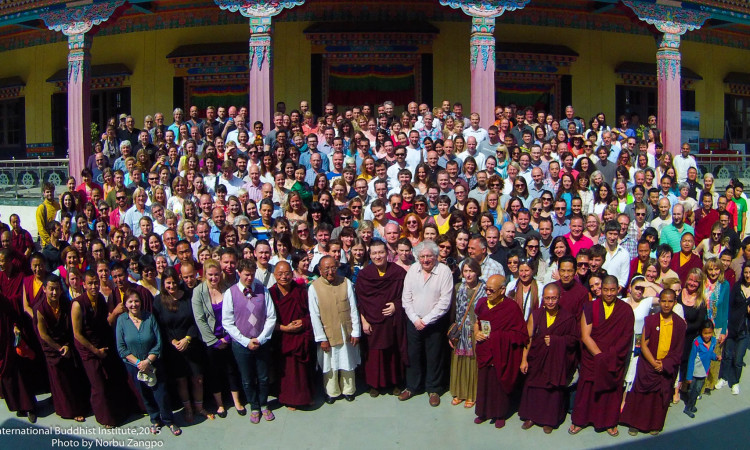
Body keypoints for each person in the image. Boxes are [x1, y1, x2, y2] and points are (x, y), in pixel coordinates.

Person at [569, 276, 635, 437]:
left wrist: (609, 356)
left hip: (613, 358)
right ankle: (580, 420)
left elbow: (626, 337)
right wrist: (600, 356)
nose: (609, 294)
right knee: (587, 390)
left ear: (618, 289)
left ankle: (609, 422)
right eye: (606, 290)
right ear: (601, 290)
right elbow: (585, 336)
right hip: (593, 358)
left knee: (611, 391)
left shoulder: (625, 310)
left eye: (613, 290)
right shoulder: (590, 307)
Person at [72, 270, 134, 427]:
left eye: (96, 283)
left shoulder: (100, 298)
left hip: (102, 344)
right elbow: (77, 334)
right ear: (84, 284)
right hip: (88, 349)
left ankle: (117, 411)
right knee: (98, 384)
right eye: (90, 283)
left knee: (110, 380)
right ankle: (104, 418)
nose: (94, 286)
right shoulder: (78, 304)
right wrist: (95, 350)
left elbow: (104, 322)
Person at [620, 289, 686, 436]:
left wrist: (664, 364)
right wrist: (654, 363)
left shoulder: (680, 324)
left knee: (659, 399)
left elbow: (678, 350)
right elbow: (644, 344)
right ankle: (634, 424)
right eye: (663, 301)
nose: (667, 304)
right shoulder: (651, 320)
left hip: (666, 366)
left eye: (670, 301)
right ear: (659, 302)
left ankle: (654, 424)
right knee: (641, 395)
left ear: (675, 302)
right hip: (648, 365)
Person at [116, 289, 181, 436]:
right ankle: (155, 419)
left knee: (161, 393)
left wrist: (148, 361)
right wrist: (139, 363)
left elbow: (158, 342)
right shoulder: (122, 320)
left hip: (153, 363)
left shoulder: (149, 317)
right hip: (135, 366)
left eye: (136, 301)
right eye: (130, 301)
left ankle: (169, 420)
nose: (134, 304)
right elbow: (121, 348)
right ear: (125, 304)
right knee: (145, 394)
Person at [223, 258, 277, 423]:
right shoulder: (230, 293)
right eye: (246, 275)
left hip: (261, 343)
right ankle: (254, 406)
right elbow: (227, 322)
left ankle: (263, 404)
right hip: (241, 345)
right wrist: (246, 341)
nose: (249, 278)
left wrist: (260, 338)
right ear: (239, 273)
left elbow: (271, 317)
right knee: (247, 379)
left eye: (252, 275)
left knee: (263, 377)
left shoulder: (263, 290)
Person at [399, 241, 454, 406]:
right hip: (414, 321)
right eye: (422, 256)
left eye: (429, 256)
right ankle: (412, 386)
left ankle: (434, 389)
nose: (425, 260)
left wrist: (427, 320)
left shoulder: (444, 272)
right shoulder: (412, 271)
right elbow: (406, 298)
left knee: (434, 356)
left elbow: (445, 301)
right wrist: (416, 319)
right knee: (413, 354)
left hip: (435, 323)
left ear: (436, 256)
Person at [518, 283, 578, 433]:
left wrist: (556, 340)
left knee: (552, 391)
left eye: (554, 298)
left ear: (559, 298)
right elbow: (528, 338)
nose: (550, 302)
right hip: (537, 359)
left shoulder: (568, 318)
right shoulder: (536, 315)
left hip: (555, 362)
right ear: (542, 298)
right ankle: (531, 417)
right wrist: (524, 359)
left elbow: (573, 340)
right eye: (547, 298)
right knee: (534, 387)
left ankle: (549, 420)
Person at [153, 268, 211, 422]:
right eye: (168, 283)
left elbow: (196, 319)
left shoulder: (189, 297)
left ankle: (199, 407)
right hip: (173, 348)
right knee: (181, 380)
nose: (171, 286)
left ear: (178, 280)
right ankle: (188, 408)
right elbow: (160, 326)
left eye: (173, 282)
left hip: (191, 344)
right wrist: (172, 341)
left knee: (197, 379)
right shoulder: (158, 301)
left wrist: (187, 338)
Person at [473, 274, 528, 428]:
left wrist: (498, 337)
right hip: (485, 350)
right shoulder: (483, 303)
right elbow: (477, 322)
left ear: (502, 290)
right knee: (484, 382)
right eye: (486, 289)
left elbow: (521, 334)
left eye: (491, 290)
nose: (488, 293)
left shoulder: (511, 308)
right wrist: (476, 332)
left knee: (498, 383)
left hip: (502, 352)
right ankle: (483, 412)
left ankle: (500, 414)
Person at [191, 259, 243, 417]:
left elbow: (235, 313)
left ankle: (237, 401)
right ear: (204, 275)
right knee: (214, 372)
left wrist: (227, 337)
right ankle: (220, 404)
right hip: (210, 340)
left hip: (228, 336)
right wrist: (214, 341)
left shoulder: (228, 289)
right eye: (210, 275)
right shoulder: (198, 292)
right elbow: (199, 319)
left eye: (216, 275)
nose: (214, 278)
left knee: (231, 369)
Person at [355, 240, 408, 397]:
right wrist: (363, 321)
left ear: (388, 254)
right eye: (374, 253)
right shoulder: (364, 275)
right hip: (371, 322)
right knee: (373, 354)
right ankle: (374, 384)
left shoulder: (398, 273)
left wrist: (396, 306)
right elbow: (360, 301)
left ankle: (394, 382)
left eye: (381, 252)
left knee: (393, 352)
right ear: (369, 255)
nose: (378, 256)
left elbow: (407, 296)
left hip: (392, 322)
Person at [33, 274, 88, 422]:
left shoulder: (64, 303)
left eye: (57, 289)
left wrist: (68, 345)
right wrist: (59, 348)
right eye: (51, 289)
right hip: (53, 347)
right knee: (60, 381)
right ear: (44, 289)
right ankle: (69, 410)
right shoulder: (40, 309)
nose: (54, 293)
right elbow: (43, 335)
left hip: (67, 342)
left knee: (74, 377)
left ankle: (80, 404)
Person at [308, 255, 361, 403]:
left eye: (333, 268)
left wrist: (356, 331)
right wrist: (321, 338)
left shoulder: (346, 282)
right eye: (326, 269)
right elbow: (314, 315)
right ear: (320, 270)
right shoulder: (314, 288)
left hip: (346, 330)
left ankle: (348, 390)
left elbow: (353, 309)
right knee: (330, 365)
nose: (330, 272)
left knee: (348, 361)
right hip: (327, 333)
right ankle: (332, 392)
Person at [268, 262, 314, 409]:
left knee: (302, 370)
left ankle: (305, 397)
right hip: (281, 337)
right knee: (287, 371)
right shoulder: (270, 293)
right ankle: (288, 399)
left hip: (300, 336)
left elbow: (310, 314)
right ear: (274, 275)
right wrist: (284, 328)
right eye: (280, 274)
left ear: (292, 274)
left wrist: (303, 322)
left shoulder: (300, 291)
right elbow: (266, 320)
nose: (284, 277)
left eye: (287, 273)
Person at [448, 258, 485, 408]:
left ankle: (472, 394)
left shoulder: (484, 289)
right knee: (460, 362)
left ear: (477, 272)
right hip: (461, 331)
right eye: (465, 271)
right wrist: (451, 331)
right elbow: (453, 311)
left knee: (472, 363)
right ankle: (460, 392)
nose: (468, 275)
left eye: (471, 271)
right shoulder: (458, 287)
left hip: (475, 330)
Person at [718, 261, 750, 395]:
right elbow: (729, 306)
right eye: (746, 272)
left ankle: (735, 382)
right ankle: (724, 377)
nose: (748, 275)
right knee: (727, 355)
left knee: (738, 359)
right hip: (732, 326)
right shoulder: (737, 287)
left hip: (745, 330)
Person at [684, 320, 722, 417]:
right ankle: (688, 408)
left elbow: (710, 354)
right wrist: (689, 377)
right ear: (701, 332)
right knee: (692, 390)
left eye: (709, 333)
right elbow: (692, 359)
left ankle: (691, 405)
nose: (707, 335)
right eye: (705, 333)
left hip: (703, 372)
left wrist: (716, 357)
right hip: (694, 372)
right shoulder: (697, 342)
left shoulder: (713, 341)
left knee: (697, 390)